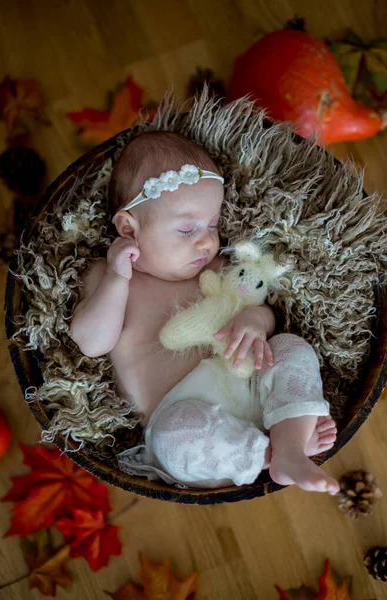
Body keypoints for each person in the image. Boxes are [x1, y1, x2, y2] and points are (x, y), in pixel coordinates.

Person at [69, 130, 339, 494]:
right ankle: (267, 454)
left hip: (252, 386)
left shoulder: (211, 267)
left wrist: (256, 320)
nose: (207, 240)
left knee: (291, 346)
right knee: (173, 438)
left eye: (212, 224)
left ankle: (289, 446)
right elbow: (91, 342)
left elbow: (260, 310)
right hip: (189, 419)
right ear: (128, 229)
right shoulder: (109, 277)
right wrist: (118, 278)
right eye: (186, 228)